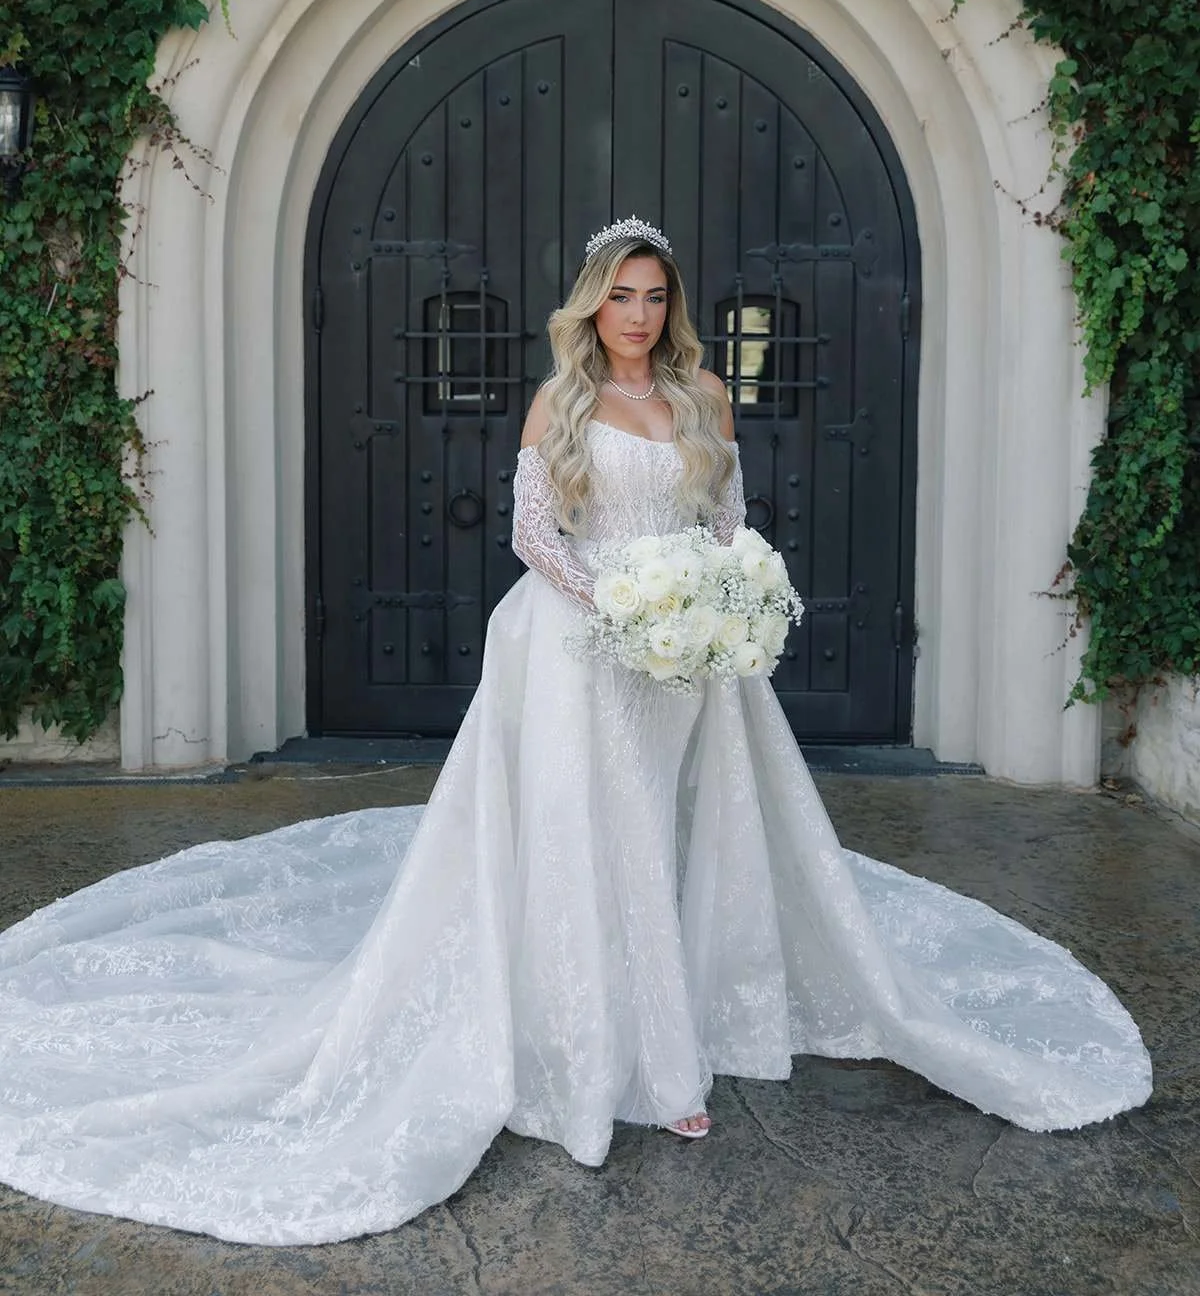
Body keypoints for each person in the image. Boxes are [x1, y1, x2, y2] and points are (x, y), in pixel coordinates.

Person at [0, 218, 1152, 1247]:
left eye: (654, 297)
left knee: (658, 823)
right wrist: (616, 602)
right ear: (591, 303)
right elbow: (532, 531)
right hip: (571, 642)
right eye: (621, 296)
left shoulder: (702, 396)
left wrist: (711, 600)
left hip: (683, 654)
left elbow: (728, 517)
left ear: (671, 305)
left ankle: (668, 1015)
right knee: (582, 828)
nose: (639, 316)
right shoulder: (564, 401)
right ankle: (625, 1057)